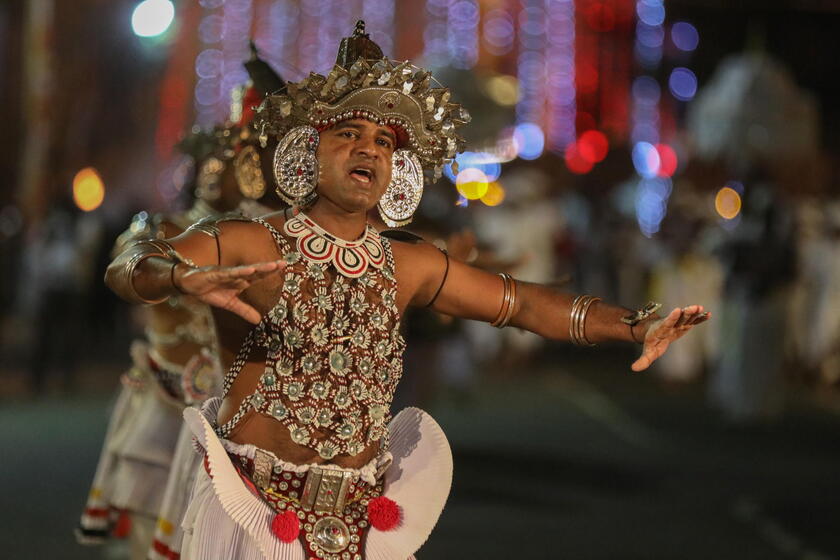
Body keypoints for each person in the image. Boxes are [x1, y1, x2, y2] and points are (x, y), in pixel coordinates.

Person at [105, 22, 709, 560]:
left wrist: (635, 325)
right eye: (350, 132)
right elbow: (130, 264)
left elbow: (520, 303)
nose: (370, 147)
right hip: (258, 521)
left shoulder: (410, 264)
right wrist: (177, 275)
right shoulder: (247, 241)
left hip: (362, 527)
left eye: (386, 142)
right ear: (308, 149)